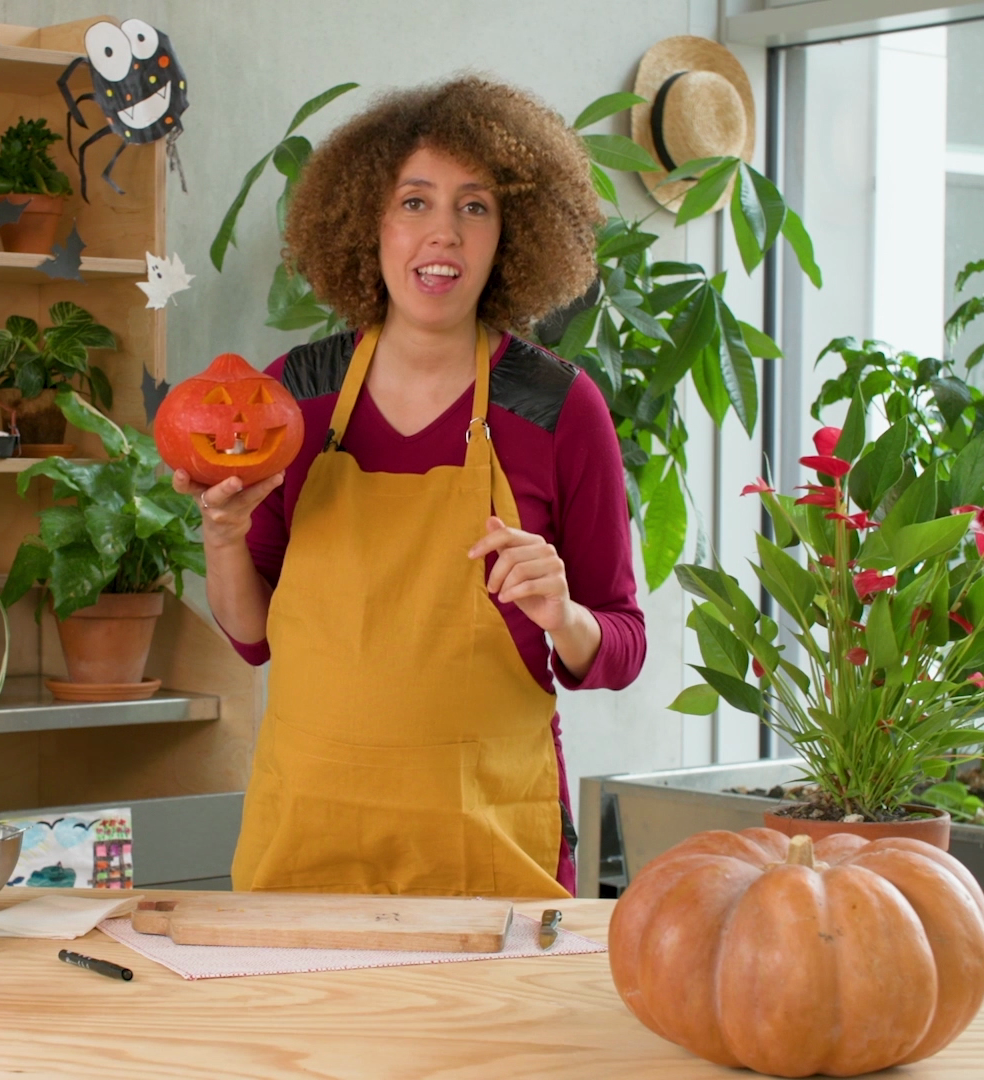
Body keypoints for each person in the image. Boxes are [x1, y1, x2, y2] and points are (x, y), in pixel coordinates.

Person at [175, 76, 646, 898]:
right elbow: (254, 635)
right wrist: (220, 537)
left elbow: (619, 646)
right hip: (307, 844)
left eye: (475, 207)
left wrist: (564, 615)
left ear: (511, 236)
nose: (444, 234)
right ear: (369, 222)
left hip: (489, 854)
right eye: (414, 202)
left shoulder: (559, 409)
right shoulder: (294, 398)